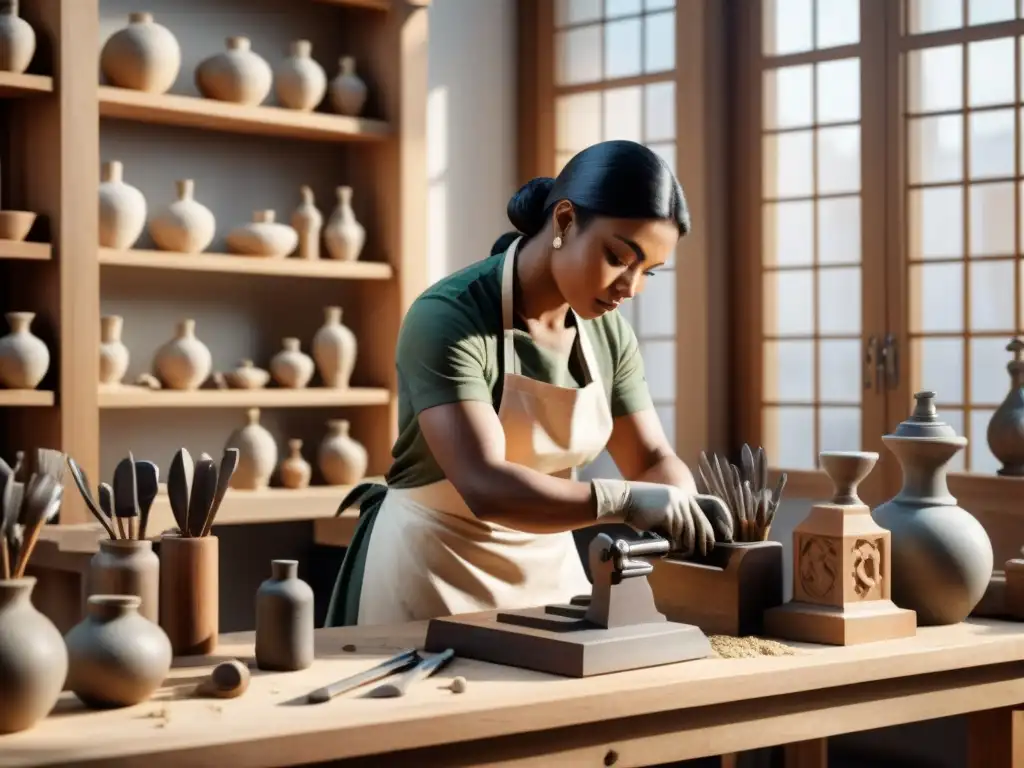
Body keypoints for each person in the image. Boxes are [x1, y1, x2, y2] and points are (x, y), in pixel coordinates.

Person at [325, 139, 730, 628]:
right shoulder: (449, 317)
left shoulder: (607, 332)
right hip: (433, 565)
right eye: (620, 257)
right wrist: (624, 501)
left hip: (550, 570)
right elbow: (484, 484)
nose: (632, 287)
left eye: (650, 271)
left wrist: (681, 502)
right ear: (563, 221)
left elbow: (647, 460)